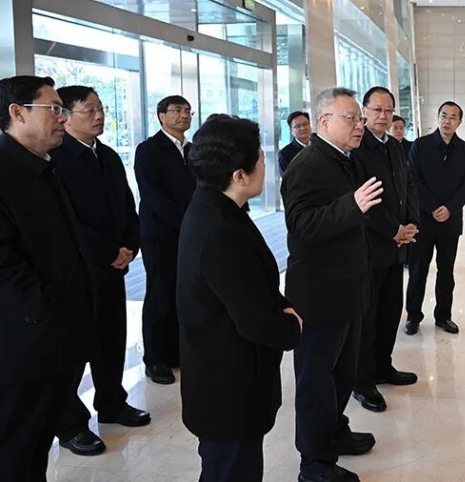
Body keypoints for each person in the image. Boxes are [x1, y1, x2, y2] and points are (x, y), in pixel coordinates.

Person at [0, 75, 94, 481]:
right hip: (23, 342)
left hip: (56, 337)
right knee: (6, 446)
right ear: (17, 112)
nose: (63, 117)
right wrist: (52, 313)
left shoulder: (43, 166)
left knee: (35, 444)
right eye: (54, 109)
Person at [177, 114, 303, 482]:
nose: (266, 167)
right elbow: (255, 319)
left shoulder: (214, 206)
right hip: (228, 385)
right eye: (260, 159)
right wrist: (291, 324)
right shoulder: (220, 230)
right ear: (239, 176)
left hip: (220, 378)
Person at [281, 87, 383, 482]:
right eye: (351, 118)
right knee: (316, 383)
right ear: (324, 121)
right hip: (319, 295)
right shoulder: (306, 166)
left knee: (341, 375)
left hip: (348, 289)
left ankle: (335, 432)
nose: (360, 126)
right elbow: (302, 226)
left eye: (360, 119)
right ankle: (314, 464)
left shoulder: (344, 160)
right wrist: (351, 205)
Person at [51, 86, 150, 457]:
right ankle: (71, 424)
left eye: (101, 108)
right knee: (75, 348)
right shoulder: (56, 158)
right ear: (65, 115)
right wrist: (108, 252)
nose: (99, 115)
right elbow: (66, 219)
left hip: (113, 267)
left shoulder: (107, 155)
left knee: (111, 338)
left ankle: (112, 402)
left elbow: (126, 204)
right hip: (79, 270)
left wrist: (130, 245)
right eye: (89, 109)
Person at [350, 87, 419, 414]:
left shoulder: (394, 146)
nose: (383, 115)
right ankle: (362, 381)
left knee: (391, 311)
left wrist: (412, 222)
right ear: (364, 111)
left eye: (388, 110)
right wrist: (394, 229)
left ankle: (383, 366)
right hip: (370, 247)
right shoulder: (357, 148)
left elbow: (408, 186)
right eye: (376, 109)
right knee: (368, 316)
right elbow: (364, 201)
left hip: (397, 247)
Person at [134, 95, 197, 384]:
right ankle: (154, 358)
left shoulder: (193, 150)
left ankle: (176, 352)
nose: (184, 115)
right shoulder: (149, 149)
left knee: (182, 292)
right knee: (159, 294)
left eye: (187, 111)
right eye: (177, 110)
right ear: (161, 116)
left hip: (189, 233)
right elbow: (152, 195)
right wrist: (185, 222)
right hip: (160, 234)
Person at [405, 101, 465, 335]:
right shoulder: (420, 145)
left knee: (446, 272)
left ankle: (443, 316)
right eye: (444, 116)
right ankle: (413, 316)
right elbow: (413, 179)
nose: (447, 121)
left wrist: (450, 208)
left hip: (450, 222)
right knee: (418, 270)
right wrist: (433, 207)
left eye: (453, 117)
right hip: (423, 221)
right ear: (437, 118)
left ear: (459, 123)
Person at [279, 111, 312, 176]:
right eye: (297, 126)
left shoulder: (320, 145)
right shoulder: (285, 153)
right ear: (291, 130)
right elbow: (287, 178)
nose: (302, 128)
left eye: (305, 124)